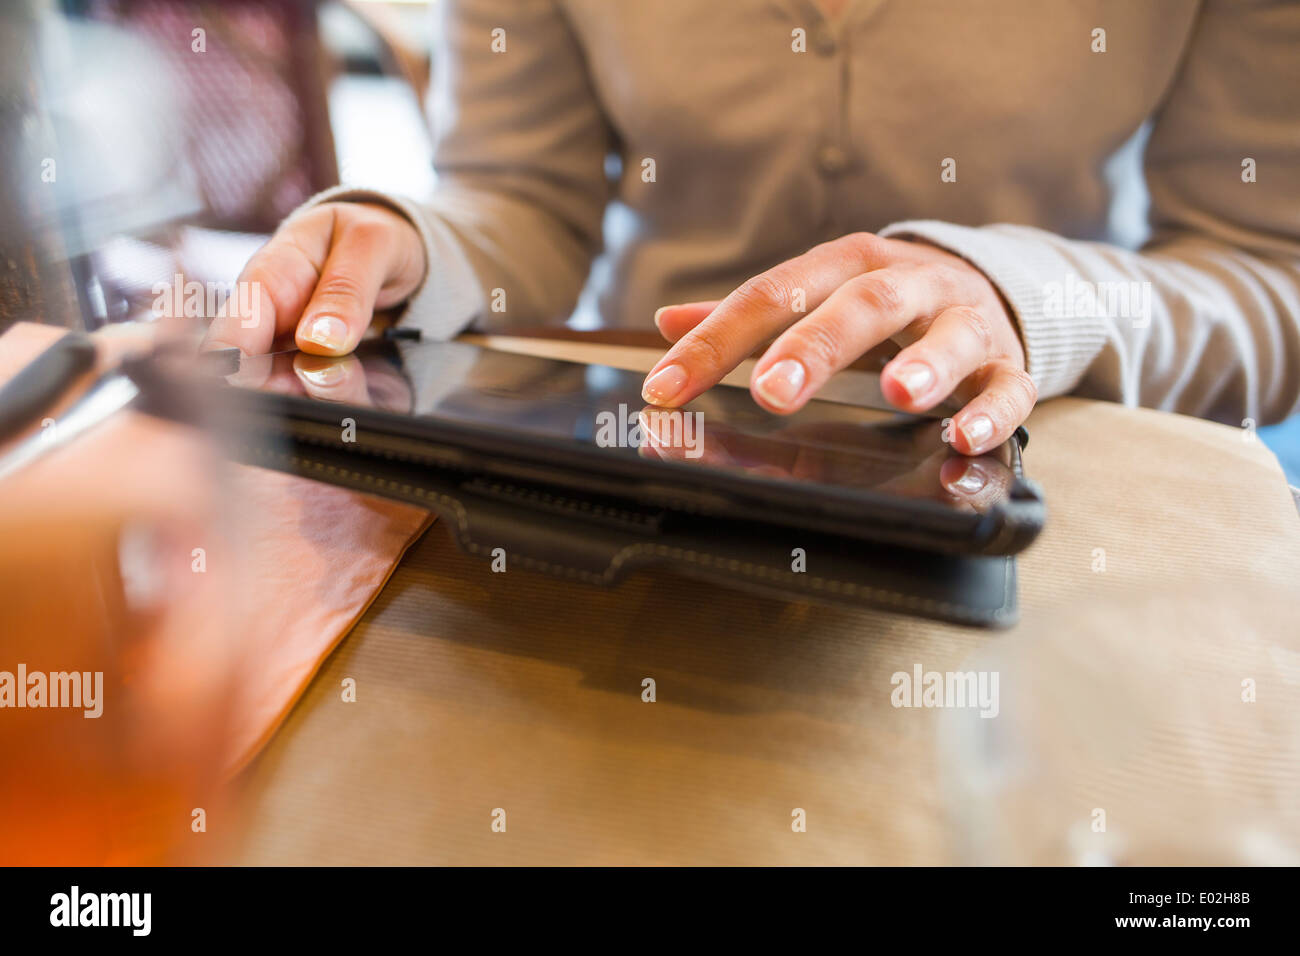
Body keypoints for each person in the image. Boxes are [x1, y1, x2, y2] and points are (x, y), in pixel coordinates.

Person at [205, 0, 1300, 456]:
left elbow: (1266, 271)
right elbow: (520, 195)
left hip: (1037, 457)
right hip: (639, 454)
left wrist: (1018, 295)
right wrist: (406, 244)